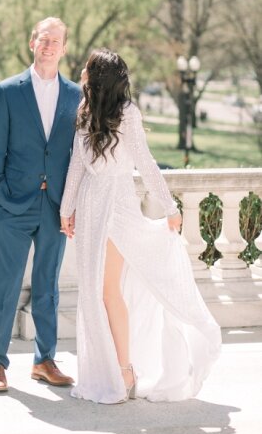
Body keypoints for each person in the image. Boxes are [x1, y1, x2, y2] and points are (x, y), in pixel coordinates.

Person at [59, 49, 220, 404]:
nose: (82, 71)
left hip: (117, 205)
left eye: (88, 67)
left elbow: (146, 163)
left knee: (108, 290)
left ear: (98, 77)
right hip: (88, 206)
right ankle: (102, 372)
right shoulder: (84, 112)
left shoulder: (128, 115)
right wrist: (66, 209)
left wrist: (170, 206)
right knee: (90, 291)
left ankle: (124, 370)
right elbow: (76, 165)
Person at [0, 16, 81, 393]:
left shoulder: (75, 95)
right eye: (44, 38)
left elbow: (77, 155)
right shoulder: (7, 91)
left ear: (64, 48)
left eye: (57, 40)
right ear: (32, 42)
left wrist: (70, 205)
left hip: (55, 207)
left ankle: (44, 360)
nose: (50, 45)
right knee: (5, 286)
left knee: (48, 287)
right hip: (12, 205)